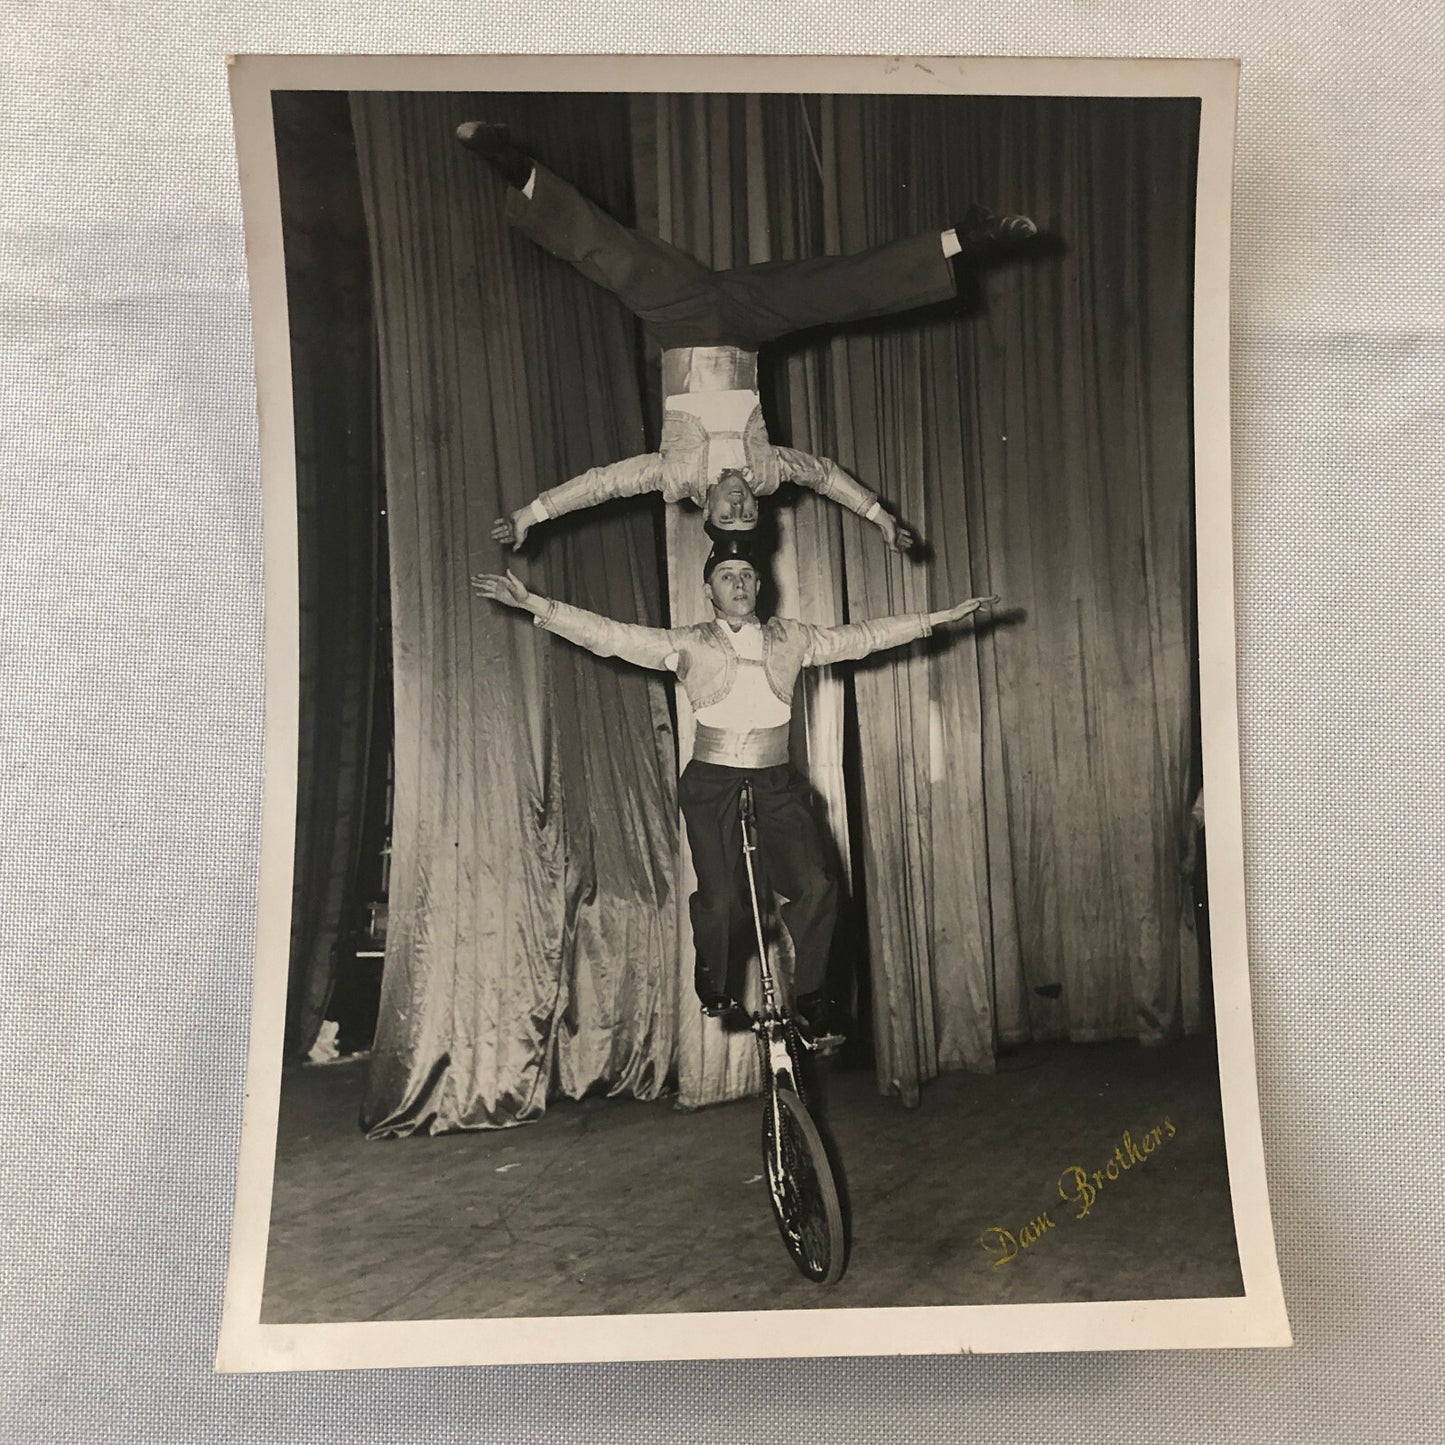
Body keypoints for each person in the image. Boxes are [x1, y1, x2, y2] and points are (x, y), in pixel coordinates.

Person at [471, 534, 998, 1050]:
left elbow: (862, 636)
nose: (739, 583)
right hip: (712, 781)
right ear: (710, 591)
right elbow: (611, 635)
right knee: (722, 899)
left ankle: (812, 996)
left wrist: (937, 618)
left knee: (817, 886)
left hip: (776, 779)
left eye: (747, 575)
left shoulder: (793, 638)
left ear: (760, 584)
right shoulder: (689, 643)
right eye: (727, 577)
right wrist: (537, 605)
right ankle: (713, 974)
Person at [457, 122, 1037, 554]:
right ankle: (965, 237)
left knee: (619, 261)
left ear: (705, 506)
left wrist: (530, 515)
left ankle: (521, 173)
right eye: (746, 516)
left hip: (681, 320)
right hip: (751, 325)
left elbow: (601, 486)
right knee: (840, 289)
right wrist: (881, 517)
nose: (737, 506)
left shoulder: (673, 477)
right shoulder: (768, 471)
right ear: (756, 507)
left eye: (726, 515)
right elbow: (825, 475)